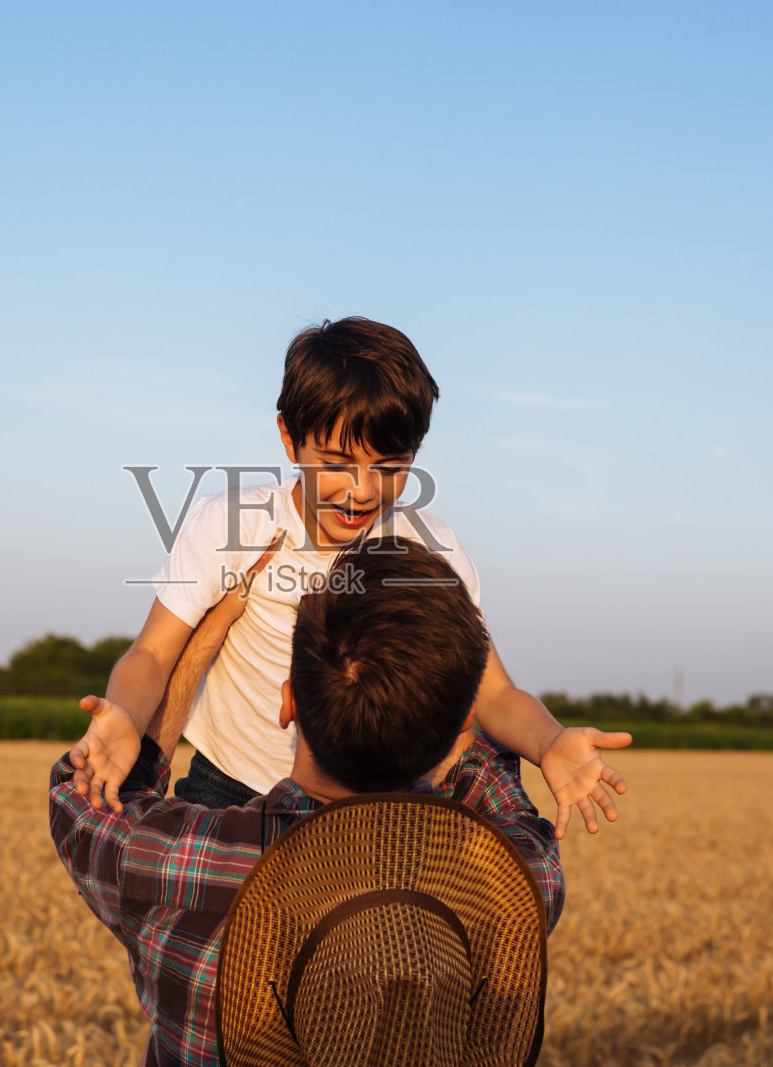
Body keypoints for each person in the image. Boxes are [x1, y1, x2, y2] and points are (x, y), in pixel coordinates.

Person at [69, 317, 630, 838]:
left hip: (377, 803)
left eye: (389, 467)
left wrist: (549, 741)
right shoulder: (232, 524)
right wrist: (124, 714)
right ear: (290, 439)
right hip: (230, 787)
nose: (361, 490)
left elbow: (495, 692)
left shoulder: (429, 551)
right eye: (336, 462)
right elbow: (153, 654)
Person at [49, 537, 583, 1066]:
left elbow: (85, 797)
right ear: (461, 720)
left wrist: (205, 638)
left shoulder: (168, 860)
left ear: (287, 703)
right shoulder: (518, 876)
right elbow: (484, 768)